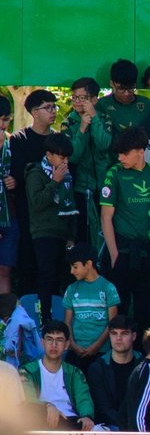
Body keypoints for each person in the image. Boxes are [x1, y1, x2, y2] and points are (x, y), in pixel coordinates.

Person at [99, 127, 150, 334]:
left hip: (147, 252)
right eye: (118, 153)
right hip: (123, 251)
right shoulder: (114, 173)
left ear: (140, 151)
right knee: (120, 309)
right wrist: (114, 253)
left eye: (125, 153)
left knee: (148, 309)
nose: (121, 157)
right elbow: (106, 216)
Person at [10, 89, 59, 293]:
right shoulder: (19, 139)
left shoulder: (59, 139)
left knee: (52, 269)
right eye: (47, 107)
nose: (53, 111)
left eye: (54, 106)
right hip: (27, 212)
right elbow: (19, 174)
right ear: (34, 112)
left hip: (54, 215)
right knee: (28, 264)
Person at [25, 132, 77, 322]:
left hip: (63, 234)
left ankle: (63, 320)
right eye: (62, 157)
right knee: (46, 276)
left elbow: (71, 207)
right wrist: (55, 181)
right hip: (43, 233)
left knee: (64, 276)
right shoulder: (36, 173)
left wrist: (71, 237)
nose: (65, 162)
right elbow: (37, 202)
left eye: (67, 158)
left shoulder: (68, 176)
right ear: (49, 155)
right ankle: (44, 319)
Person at [62, 77, 113, 245]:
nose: (77, 102)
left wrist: (94, 119)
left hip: (105, 184)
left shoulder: (105, 118)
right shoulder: (68, 122)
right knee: (83, 233)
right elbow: (72, 157)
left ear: (94, 99)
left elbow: (104, 143)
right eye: (74, 97)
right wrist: (82, 129)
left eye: (82, 98)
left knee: (106, 231)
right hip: (81, 187)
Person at [19, 321, 94, 430]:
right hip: (40, 421)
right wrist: (47, 406)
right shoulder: (27, 371)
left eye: (59, 340)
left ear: (67, 345)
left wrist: (87, 416)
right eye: (49, 339)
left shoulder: (74, 372)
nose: (54, 345)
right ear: (42, 342)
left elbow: (84, 398)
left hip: (71, 422)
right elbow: (28, 398)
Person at [63, 244, 119, 369]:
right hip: (76, 351)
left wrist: (97, 346)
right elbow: (67, 322)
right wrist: (73, 345)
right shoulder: (72, 289)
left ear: (88, 264)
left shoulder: (108, 288)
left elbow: (112, 323)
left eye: (75, 266)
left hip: (102, 351)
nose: (71, 271)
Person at [85, 316, 139, 429]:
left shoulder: (144, 366)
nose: (118, 338)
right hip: (109, 427)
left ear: (133, 336)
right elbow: (103, 408)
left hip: (140, 425)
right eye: (114, 333)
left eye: (124, 333)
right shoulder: (97, 368)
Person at [95, 59, 150, 140]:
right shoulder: (102, 105)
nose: (126, 93)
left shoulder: (148, 105)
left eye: (130, 88)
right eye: (121, 88)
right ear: (112, 84)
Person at [0, 96, 17, 295]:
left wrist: (15, 182)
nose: (2, 124)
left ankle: (5, 322)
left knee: (4, 270)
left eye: (5, 119)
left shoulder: (14, 142)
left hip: (10, 218)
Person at [1, 293, 41, 370]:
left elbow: (12, 351)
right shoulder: (11, 322)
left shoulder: (16, 322)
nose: (21, 308)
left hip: (22, 365)